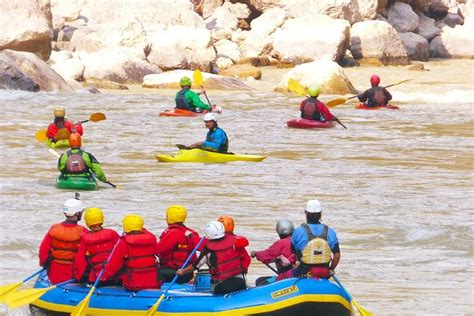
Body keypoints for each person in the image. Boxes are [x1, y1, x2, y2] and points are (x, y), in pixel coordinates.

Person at [176, 221, 247, 295]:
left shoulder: (208, 250)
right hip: (240, 283)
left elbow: (195, 266)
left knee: (214, 286)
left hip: (222, 287)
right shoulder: (234, 242)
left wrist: (182, 271)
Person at [277, 200, 340, 281]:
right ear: (320, 214)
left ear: (306, 213)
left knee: (280, 278)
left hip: (302, 271)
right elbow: (337, 255)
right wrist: (330, 270)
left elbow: (293, 252)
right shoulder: (330, 232)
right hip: (324, 272)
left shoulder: (298, 231)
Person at [102, 214, 161, 291]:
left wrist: (104, 275)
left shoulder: (124, 241)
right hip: (154, 283)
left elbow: (113, 265)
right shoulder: (152, 239)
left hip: (133, 285)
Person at [39, 197, 87, 284]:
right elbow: (82, 257)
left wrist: (44, 264)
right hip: (71, 272)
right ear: (77, 213)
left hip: (54, 271)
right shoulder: (83, 231)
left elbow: (43, 251)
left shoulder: (54, 228)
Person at [74, 207, 120, 285]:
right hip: (114, 276)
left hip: (96, 278)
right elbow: (121, 253)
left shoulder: (85, 239)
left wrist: (78, 278)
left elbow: (80, 262)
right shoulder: (112, 234)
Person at [156, 205, 201, 283]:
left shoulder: (173, 233)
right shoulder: (191, 232)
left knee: (149, 272)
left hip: (176, 273)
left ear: (170, 218)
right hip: (188, 273)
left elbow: (158, 250)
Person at [251, 219, 296, 286]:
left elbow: (266, 256)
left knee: (260, 282)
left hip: (287, 277)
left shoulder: (280, 244)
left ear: (278, 232)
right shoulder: (298, 240)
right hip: (298, 274)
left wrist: (256, 253)